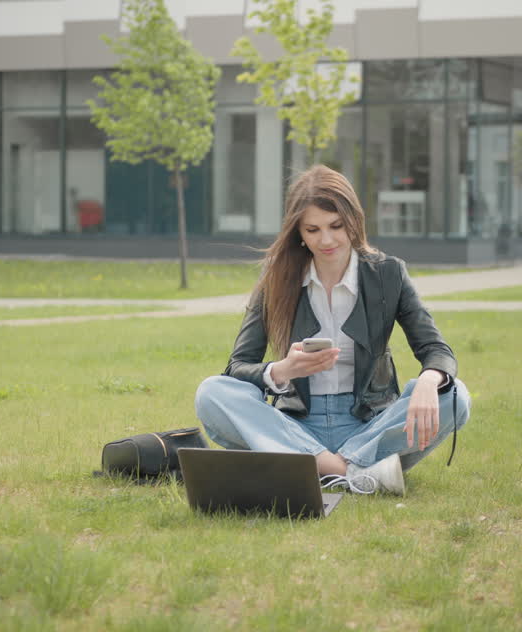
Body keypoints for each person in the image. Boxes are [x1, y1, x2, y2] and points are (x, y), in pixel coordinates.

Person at [195, 165, 470, 496]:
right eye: (312, 230)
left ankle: (316, 467)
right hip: (297, 428)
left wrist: (429, 379)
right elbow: (236, 368)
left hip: (369, 426)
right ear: (298, 231)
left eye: (336, 226)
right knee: (211, 392)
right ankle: (350, 473)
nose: (326, 240)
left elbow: (435, 349)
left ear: (354, 220)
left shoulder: (387, 274)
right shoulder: (276, 279)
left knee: (456, 396)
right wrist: (281, 371)